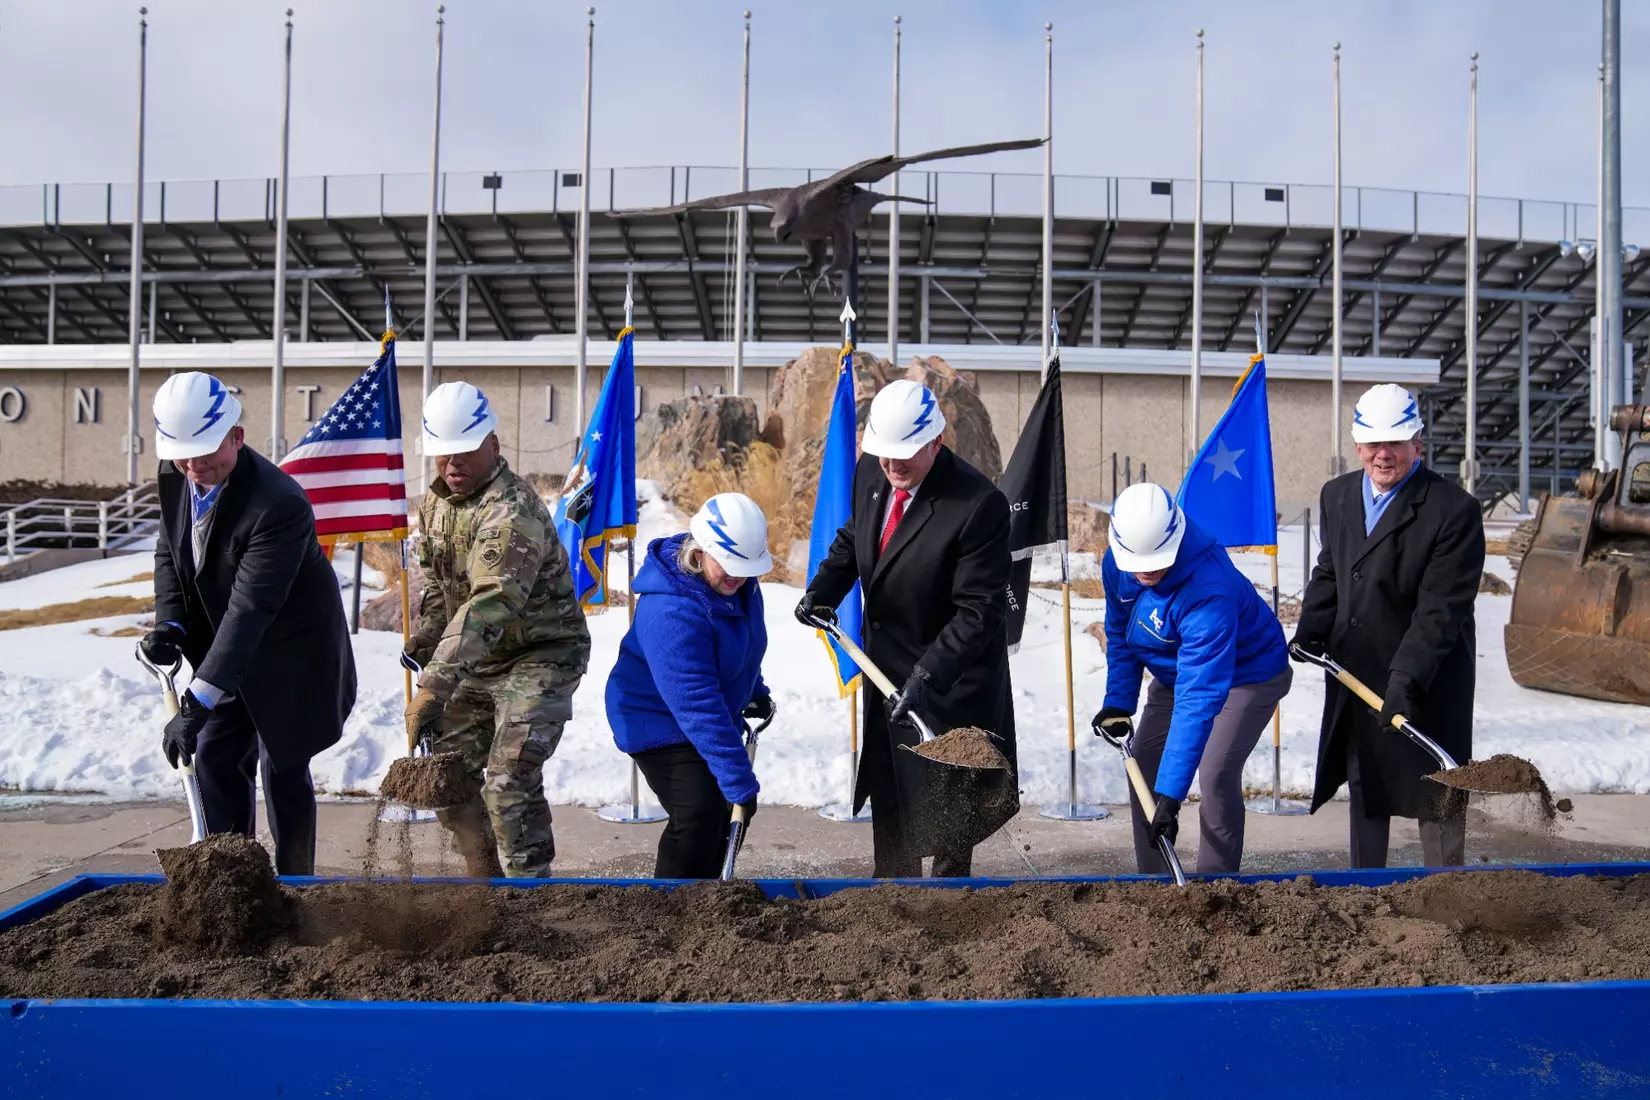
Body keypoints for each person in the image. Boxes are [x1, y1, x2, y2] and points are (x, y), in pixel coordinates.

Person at [798, 379, 1015, 878]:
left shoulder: (977, 505)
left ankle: (948, 898)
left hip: (951, 678)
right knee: (891, 789)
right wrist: (824, 588)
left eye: (904, 456)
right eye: (884, 454)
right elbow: (857, 533)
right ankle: (893, 890)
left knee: (948, 807)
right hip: (886, 667)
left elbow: (979, 611)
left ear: (935, 442)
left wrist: (928, 675)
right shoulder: (871, 471)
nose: (892, 467)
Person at [144, 371, 356, 876]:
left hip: (291, 650)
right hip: (229, 646)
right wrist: (171, 624)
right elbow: (170, 550)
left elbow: (250, 609)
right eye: (184, 456)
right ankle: (232, 882)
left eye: (205, 454)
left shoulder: (278, 504)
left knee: (282, 766)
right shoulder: (177, 470)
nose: (194, 467)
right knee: (214, 757)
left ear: (237, 436)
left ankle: (295, 881)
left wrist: (197, 700)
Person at [404, 381, 591, 879]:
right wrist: (429, 636)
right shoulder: (437, 506)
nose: (452, 464)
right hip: (477, 661)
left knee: (509, 781)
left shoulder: (511, 512)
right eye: (443, 453)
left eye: (464, 451)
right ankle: (484, 881)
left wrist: (433, 685)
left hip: (541, 655)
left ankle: (528, 894)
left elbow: (492, 602)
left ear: (493, 444)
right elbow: (441, 586)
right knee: (445, 778)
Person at [1292, 383, 1484, 868]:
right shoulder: (1338, 495)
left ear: (1417, 443)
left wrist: (1406, 680)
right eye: (1373, 443)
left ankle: (1448, 893)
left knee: (1437, 791)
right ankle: (1366, 889)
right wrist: (1313, 626)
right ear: (1357, 445)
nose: (1383, 454)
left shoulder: (1452, 510)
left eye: (1395, 442)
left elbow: (1440, 611)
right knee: (1366, 782)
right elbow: (1331, 569)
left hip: (1428, 675)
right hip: (1359, 669)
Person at [1091, 483, 1292, 875]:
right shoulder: (1119, 562)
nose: (1145, 571)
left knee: (1215, 771)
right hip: (1177, 670)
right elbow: (1120, 630)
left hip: (1247, 674)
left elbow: (1199, 695)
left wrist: (1171, 795)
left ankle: (1215, 888)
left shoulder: (1209, 589)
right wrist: (1118, 701)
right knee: (1143, 763)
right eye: (1137, 562)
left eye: (1156, 561)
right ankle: (1154, 884)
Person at [606, 494, 773, 879]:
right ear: (699, 553)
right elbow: (698, 707)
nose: (738, 577)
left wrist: (754, 689)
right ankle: (671, 904)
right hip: (655, 718)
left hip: (704, 708)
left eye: (746, 567)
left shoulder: (738, 584)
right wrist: (738, 781)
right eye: (729, 565)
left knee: (729, 812)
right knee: (699, 812)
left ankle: (711, 892)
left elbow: (744, 644)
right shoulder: (671, 613)